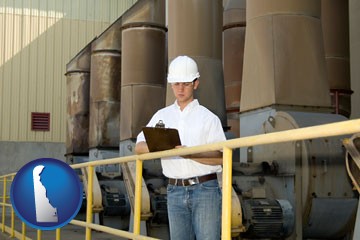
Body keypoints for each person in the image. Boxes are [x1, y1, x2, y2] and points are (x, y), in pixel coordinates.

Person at [135, 55, 226, 240]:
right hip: (174, 190)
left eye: (185, 83)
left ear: (196, 84)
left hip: (205, 189)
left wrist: (187, 153)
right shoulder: (162, 116)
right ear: (171, 85)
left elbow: (221, 157)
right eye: (176, 83)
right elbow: (139, 147)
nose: (180, 88)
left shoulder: (209, 119)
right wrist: (163, 146)